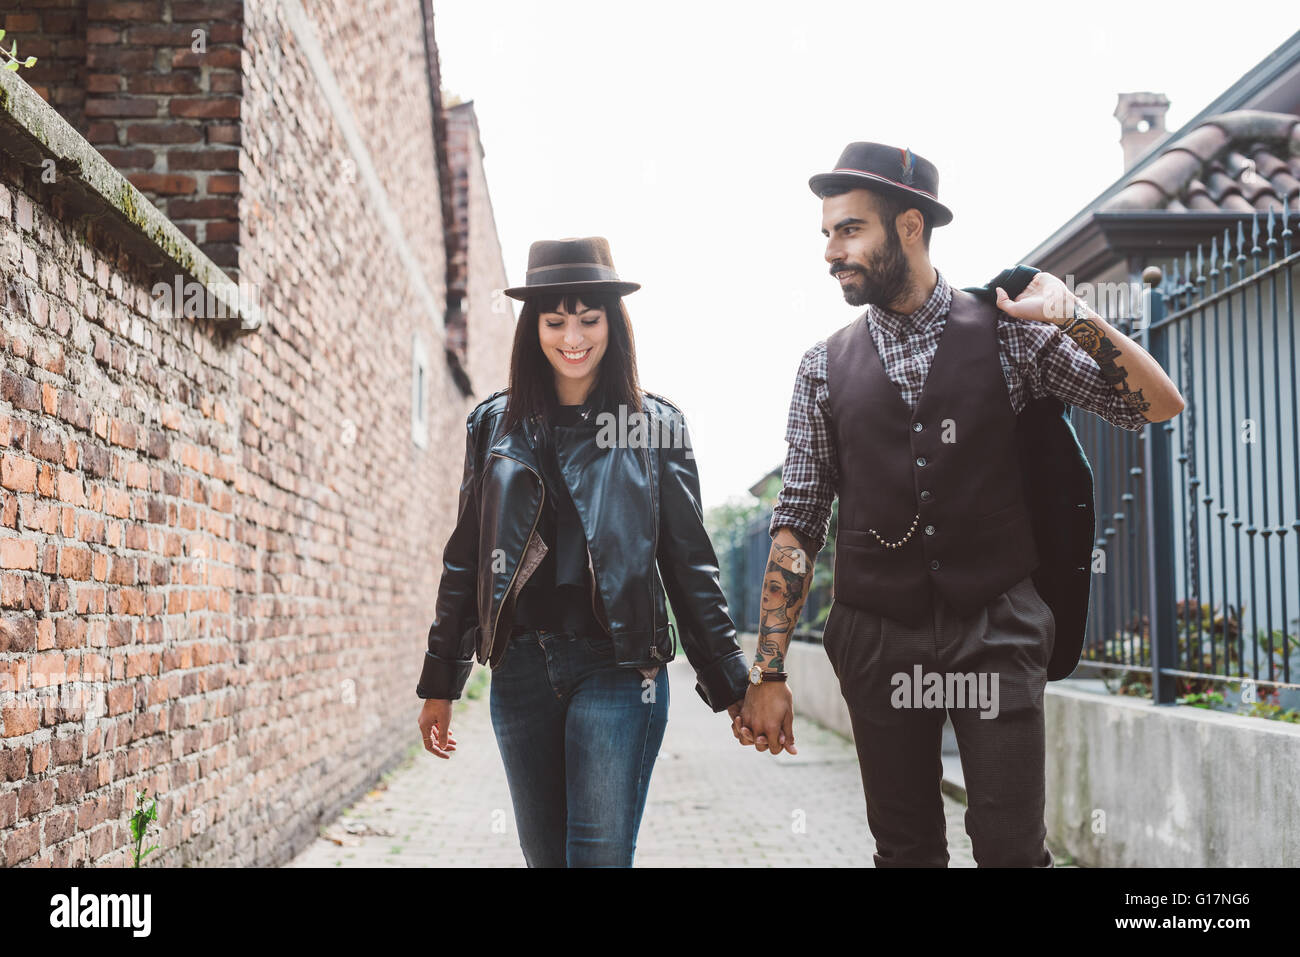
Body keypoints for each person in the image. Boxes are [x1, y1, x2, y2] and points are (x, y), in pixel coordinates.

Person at [737, 142, 1185, 867]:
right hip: (878, 635)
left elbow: (1158, 405)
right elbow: (798, 521)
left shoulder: (1009, 330)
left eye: (849, 229)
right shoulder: (821, 367)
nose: (831, 251)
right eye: (826, 234)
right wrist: (769, 671)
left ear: (909, 226)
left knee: (1011, 850)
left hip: (997, 626)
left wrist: (1071, 314)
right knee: (905, 851)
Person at [415, 236, 751, 867]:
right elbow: (465, 559)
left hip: (620, 669)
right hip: (519, 671)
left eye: (589, 318)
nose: (573, 336)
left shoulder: (654, 427)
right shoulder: (494, 424)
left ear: (612, 325)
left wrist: (733, 683)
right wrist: (441, 680)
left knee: (596, 858)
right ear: (531, 327)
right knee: (547, 860)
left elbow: (689, 566)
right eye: (555, 319)